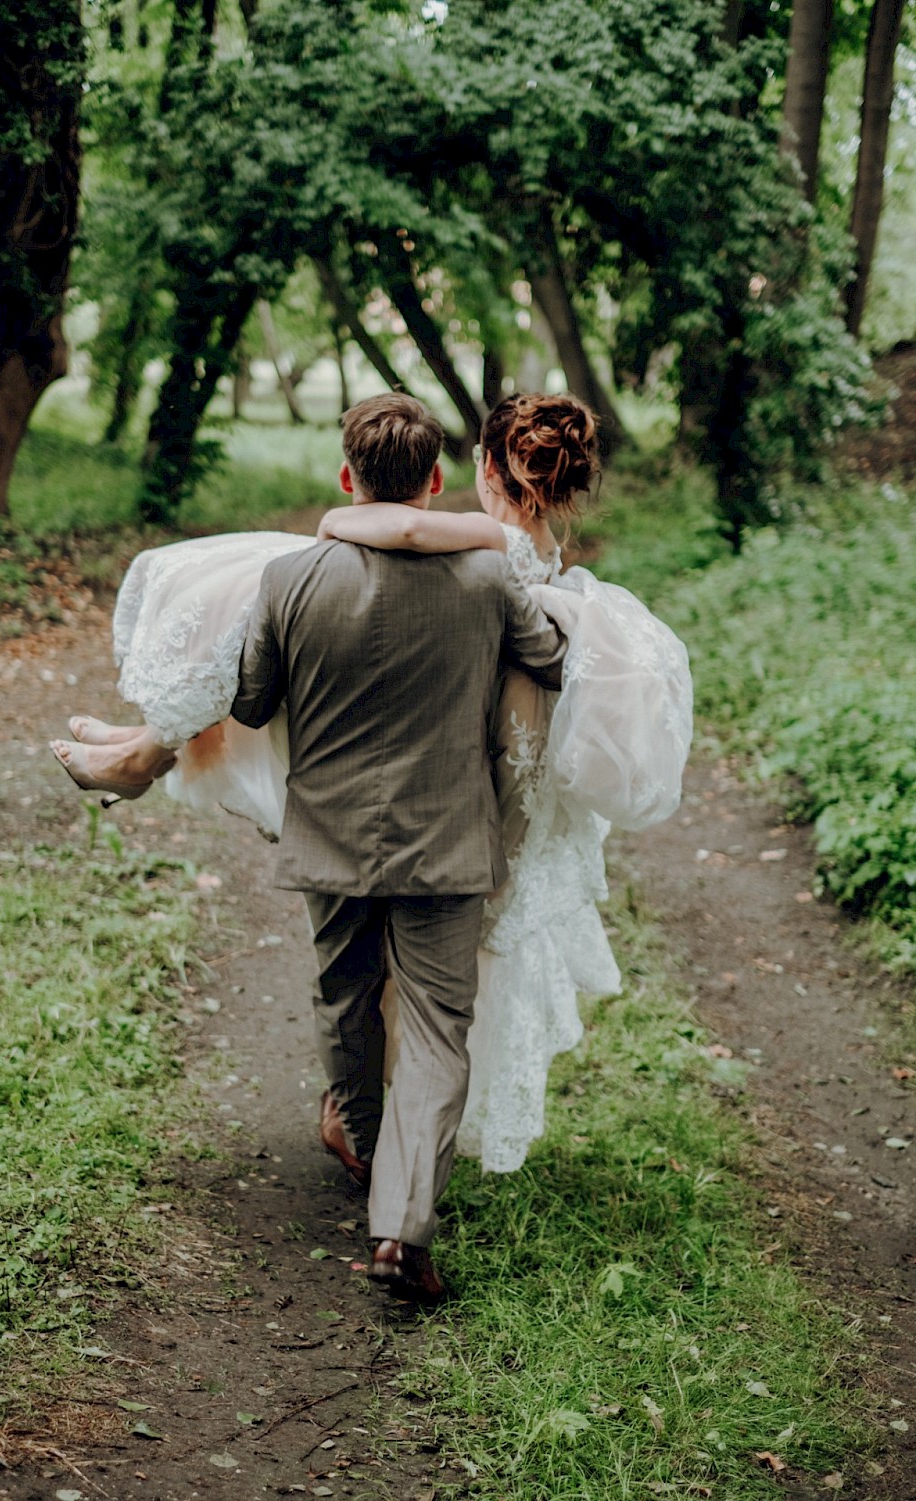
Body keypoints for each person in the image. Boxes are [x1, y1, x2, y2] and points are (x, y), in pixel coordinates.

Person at [51, 392, 692, 1186]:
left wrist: (334, 521)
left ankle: (154, 747)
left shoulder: (490, 549)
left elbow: (413, 532)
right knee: (429, 978)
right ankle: (151, 743)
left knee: (273, 587)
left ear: (484, 468)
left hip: (443, 763)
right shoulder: (534, 561)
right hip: (473, 772)